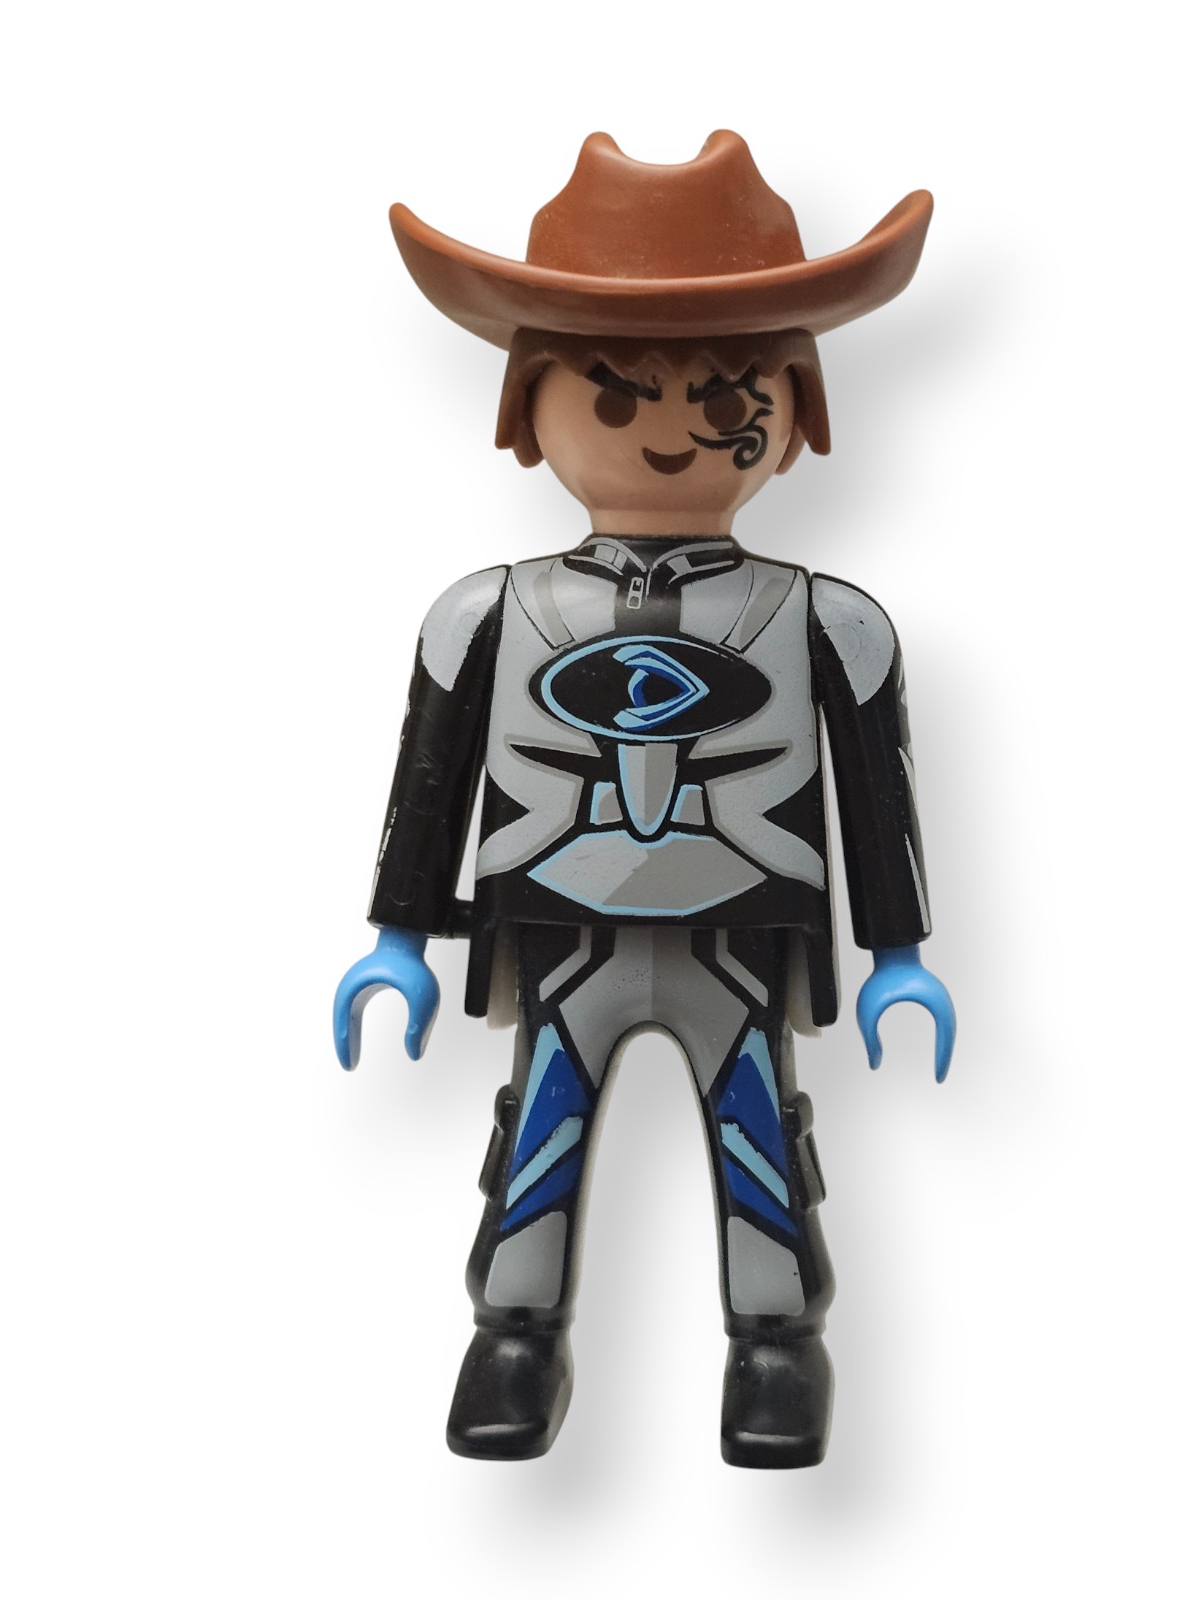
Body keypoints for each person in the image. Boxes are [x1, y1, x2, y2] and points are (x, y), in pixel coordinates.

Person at [333, 131, 955, 1468]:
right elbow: (429, 781)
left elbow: (875, 792)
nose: (672, 428)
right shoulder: (484, 618)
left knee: (760, 1134)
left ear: (795, 405)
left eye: (723, 389)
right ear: (530, 404)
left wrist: (900, 953)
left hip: (743, 929)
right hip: (564, 928)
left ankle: (777, 1345)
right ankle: (514, 1334)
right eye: (617, 394)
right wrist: (399, 937)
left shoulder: (830, 625)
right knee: (539, 1134)